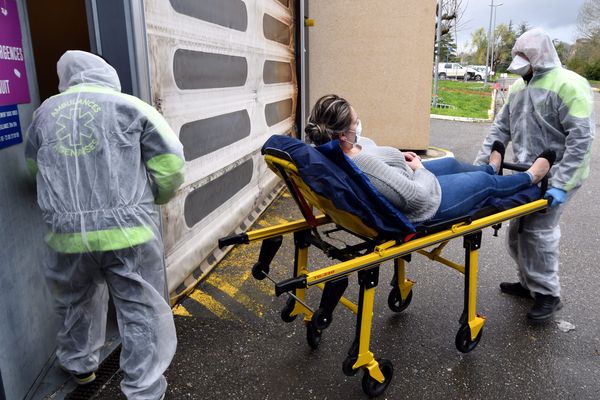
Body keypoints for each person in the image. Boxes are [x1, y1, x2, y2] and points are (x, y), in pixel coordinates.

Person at [24, 50, 185, 399]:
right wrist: (155, 198)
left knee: (75, 302)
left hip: (68, 238)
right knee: (140, 310)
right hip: (128, 232)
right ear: (105, 72)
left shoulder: (43, 115)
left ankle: (80, 367)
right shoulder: (131, 106)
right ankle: (143, 389)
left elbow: (34, 169)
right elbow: (171, 163)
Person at [474, 28, 595, 322]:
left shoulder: (569, 85)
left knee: (538, 235)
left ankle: (548, 295)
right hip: (527, 174)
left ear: (538, 57)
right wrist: (480, 168)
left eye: (525, 61)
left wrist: (562, 184)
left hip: (558, 175)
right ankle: (529, 283)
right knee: (517, 235)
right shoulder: (518, 89)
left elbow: (581, 139)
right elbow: (500, 132)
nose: (521, 68)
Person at [305, 94, 554, 225]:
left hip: (406, 173)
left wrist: (397, 158)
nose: (359, 124)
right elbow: (416, 198)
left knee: (454, 164)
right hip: (426, 204)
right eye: (355, 122)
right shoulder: (362, 166)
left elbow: (370, 152)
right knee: (482, 183)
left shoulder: (335, 149)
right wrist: (420, 168)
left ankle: (491, 167)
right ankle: (531, 176)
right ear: (342, 134)